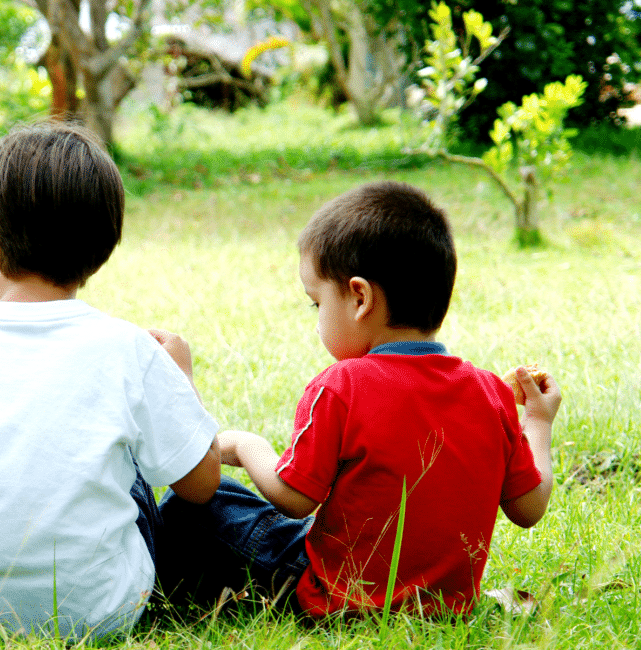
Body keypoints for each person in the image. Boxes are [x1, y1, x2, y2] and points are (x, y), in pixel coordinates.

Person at [0, 121, 222, 639]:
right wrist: (180, 381)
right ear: (102, 249)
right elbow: (201, 485)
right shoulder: (127, 349)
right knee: (136, 471)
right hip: (101, 615)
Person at [157, 181, 561, 618]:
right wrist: (537, 422)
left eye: (317, 304)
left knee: (195, 505)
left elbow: (295, 500)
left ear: (359, 297)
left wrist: (244, 446)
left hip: (336, 597)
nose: (316, 321)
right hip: (447, 609)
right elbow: (529, 507)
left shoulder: (341, 386)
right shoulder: (491, 393)